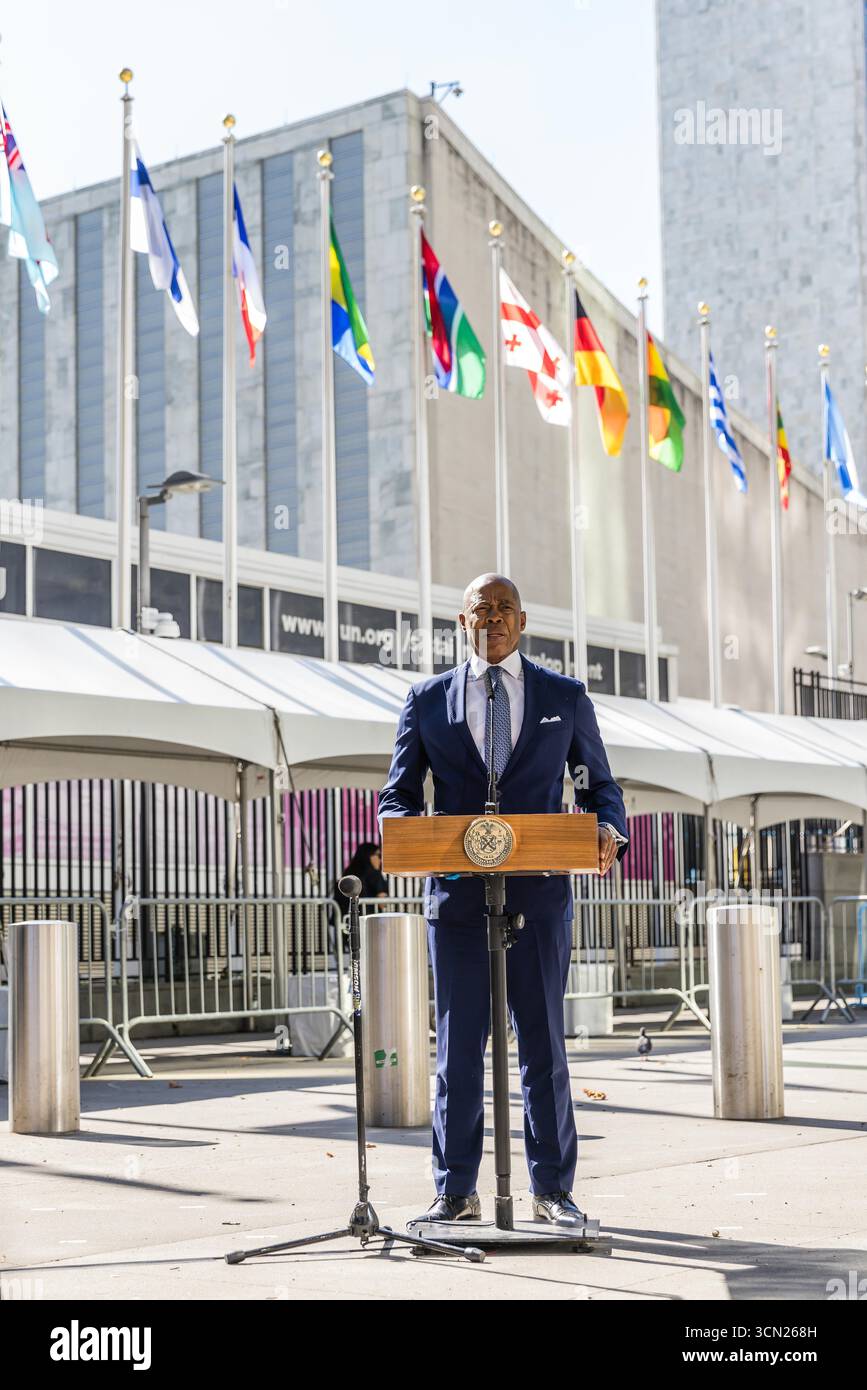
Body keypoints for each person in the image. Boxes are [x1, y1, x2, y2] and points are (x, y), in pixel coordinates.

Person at [378, 573, 628, 1228]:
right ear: (461, 622)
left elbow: (598, 786)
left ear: (522, 621)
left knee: (543, 1042)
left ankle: (552, 1191)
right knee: (457, 1047)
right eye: (478, 610)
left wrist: (608, 828)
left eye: (503, 609)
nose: (491, 619)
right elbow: (399, 795)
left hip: (540, 894)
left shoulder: (563, 697)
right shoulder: (426, 699)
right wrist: (401, 835)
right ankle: (454, 1190)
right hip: (457, 900)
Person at [332, 841, 388, 920]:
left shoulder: (349, 872)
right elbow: (382, 902)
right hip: (368, 921)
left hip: (345, 921)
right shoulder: (374, 874)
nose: (380, 859)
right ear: (369, 856)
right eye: (378, 855)